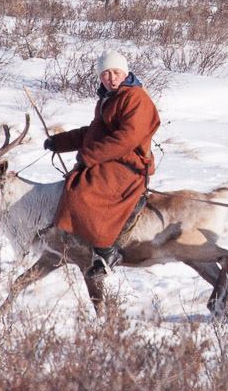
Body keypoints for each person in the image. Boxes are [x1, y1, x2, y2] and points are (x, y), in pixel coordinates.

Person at [45, 50, 160, 274]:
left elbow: (128, 138)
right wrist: (59, 142)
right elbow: (93, 132)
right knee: (75, 181)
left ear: (125, 73)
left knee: (83, 192)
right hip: (113, 158)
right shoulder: (107, 99)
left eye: (116, 72)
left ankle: (106, 250)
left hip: (130, 164)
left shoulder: (135, 97)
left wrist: (90, 156)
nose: (111, 78)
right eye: (106, 74)